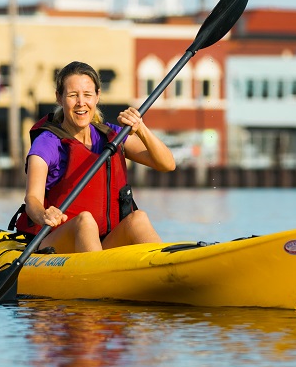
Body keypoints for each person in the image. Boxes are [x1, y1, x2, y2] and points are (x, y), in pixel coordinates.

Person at [11, 61, 176, 253]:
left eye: (87, 95)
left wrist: (141, 129)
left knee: (138, 218)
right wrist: (43, 214)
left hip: (104, 242)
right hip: (57, 244)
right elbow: (32, 199)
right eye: (73, 95)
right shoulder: (47, 143)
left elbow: (167, 164)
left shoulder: (112, 136)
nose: (81, 102)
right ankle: (100, 277)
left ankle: (168, 270)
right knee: (85, 221)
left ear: (97, 96)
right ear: (59, 98)